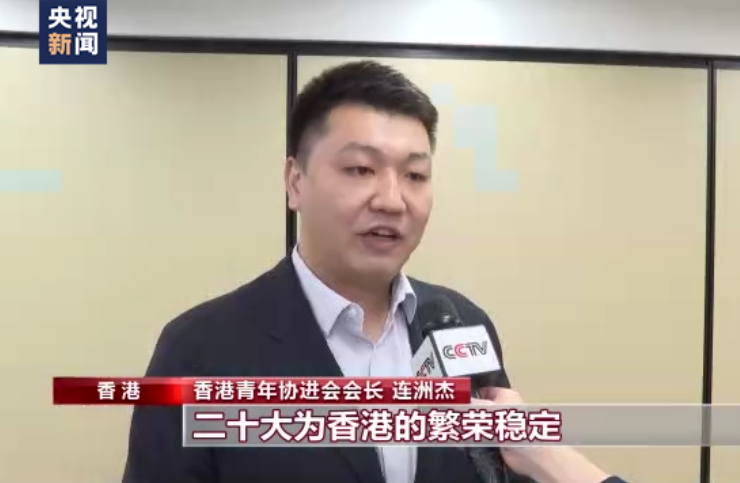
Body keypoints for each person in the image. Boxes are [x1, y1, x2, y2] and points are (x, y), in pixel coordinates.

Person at [122, 60, 628, 483]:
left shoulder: (460, 323)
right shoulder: (200, 348)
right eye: (360, 169)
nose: (392, 200)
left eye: (415, 175)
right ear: (295, 181)